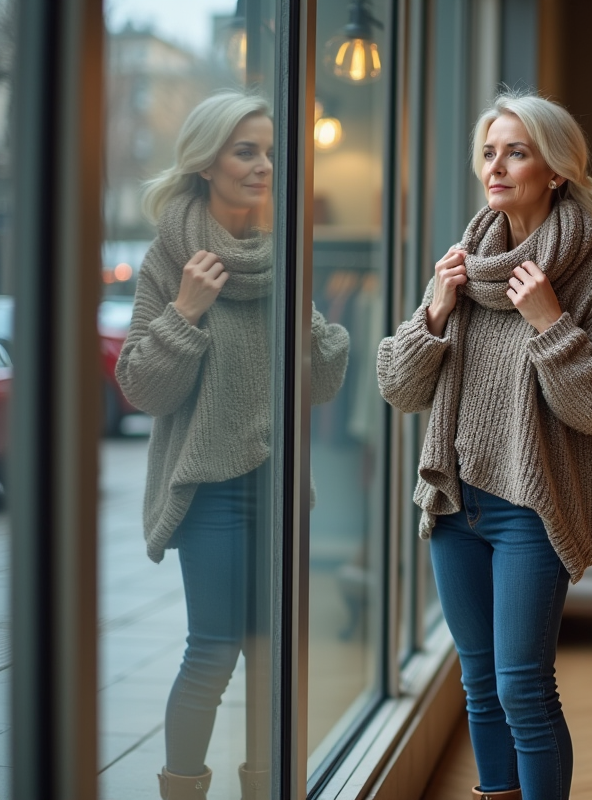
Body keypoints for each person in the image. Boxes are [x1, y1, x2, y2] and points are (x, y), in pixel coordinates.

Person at [377, 91, 592, 800]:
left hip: (533, 508)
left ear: (556, 171)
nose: (496, 165)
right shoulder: (465, 265)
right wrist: (433, 310)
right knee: (481, 686)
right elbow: (398, 391)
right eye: (489, 151)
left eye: (516, 151)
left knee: (524, 687)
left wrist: (551, 323)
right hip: (454, 503)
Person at [116, 91, 350, 800]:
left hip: (279, 489)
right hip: (209, 490)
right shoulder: (170, 256)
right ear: (205, 160)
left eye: (270, 152)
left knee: (270, 657)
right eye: (246, 150)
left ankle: (268, 790)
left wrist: (309, 328)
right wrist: (186, 311)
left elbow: (323, 379)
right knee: (213, 654)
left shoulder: (281, 254)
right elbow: (140, 389)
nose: (263, 165)